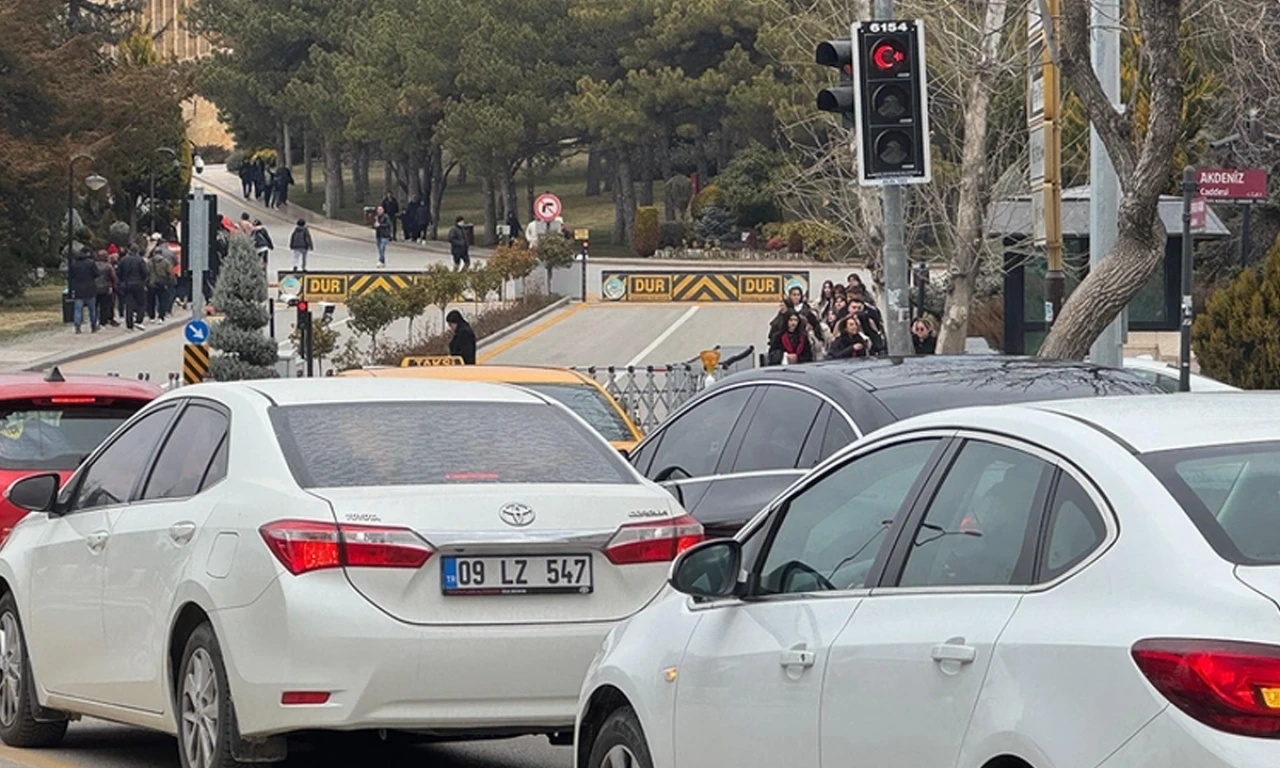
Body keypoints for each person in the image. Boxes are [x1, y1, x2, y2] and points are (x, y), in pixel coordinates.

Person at [117, 245, 149, 330]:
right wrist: (143, 281)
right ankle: (139, 320)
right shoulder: (140, 260)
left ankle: (129, 324)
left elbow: (118, 272)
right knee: (141, 303)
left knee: (129, 305)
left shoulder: (123, 260)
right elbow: (145, 272)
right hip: (138, 284)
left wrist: (122, 282)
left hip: (127, 284)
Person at [68, 248, 99, 334]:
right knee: (92, 309)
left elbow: (71, 276)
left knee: (78, 309)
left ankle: (77, 327)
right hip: (90, 288)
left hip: (78, 289)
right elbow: (97, 274)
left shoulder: (74, 265)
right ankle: (93, 326)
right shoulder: (91, 263)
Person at [94, 249, 117, 327]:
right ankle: (103, 321)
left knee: (95, 305)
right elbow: (113, 277)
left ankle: (94, 319)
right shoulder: (108, 266)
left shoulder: (94, 265)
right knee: (104, 305)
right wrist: (113, 286)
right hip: (105, 287)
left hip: (95, 287)